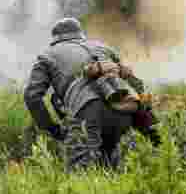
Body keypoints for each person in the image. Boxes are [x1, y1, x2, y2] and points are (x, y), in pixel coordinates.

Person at [23, 17, 156, 171]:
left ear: (55, 39)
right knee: (114, 170)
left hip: (86, 111)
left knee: (81, 175)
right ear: (80, 34)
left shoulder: (47, 55)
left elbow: (32, 96)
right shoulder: (103, 47)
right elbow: (132, 81)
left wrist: (54, 130)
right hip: (125, 107)